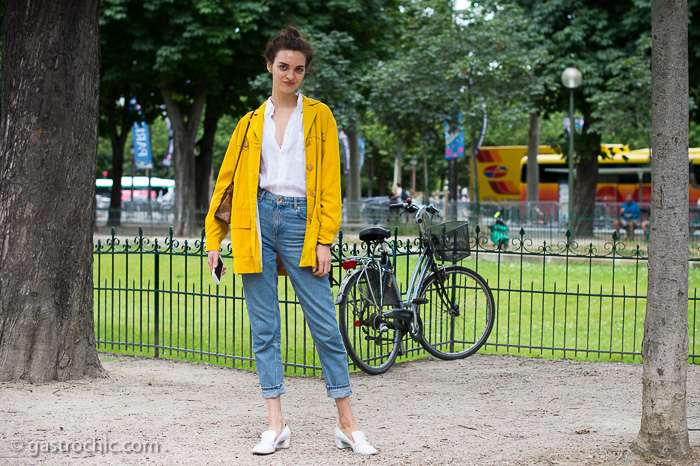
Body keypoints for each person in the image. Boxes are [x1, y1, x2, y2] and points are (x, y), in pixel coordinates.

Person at [204, 26, 377, 456]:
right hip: (256, 222)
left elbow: (331, 184)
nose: (290, 75)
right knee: (265, 329)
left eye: (298, 69)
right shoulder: (249, 123)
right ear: (269, 66)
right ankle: (275, 423)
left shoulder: (319, 115)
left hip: (302, 223)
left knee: (324, 326)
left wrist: (325, 239)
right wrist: (214, 238)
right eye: (283, 66)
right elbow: (226, 183)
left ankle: (347, 424)